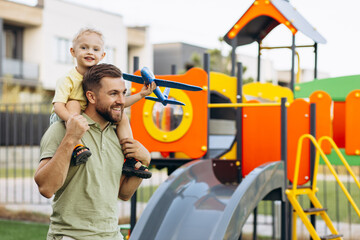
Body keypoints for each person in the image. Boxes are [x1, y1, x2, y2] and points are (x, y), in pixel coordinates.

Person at [35, 63, 150, 240]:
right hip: (71, 236)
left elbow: (123, 193)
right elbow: (46, 188)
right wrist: (70, 139)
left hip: (112, 236)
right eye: (113, 94)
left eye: (123, 93)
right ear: (91, 96)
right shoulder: (60, 130)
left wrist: (144, 160)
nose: (121, 100)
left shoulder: (118, 136)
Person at [51, 28, 155, 178]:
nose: (90, 52)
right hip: (66, 116)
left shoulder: (100, 79)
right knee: (73, 102)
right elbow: (58, 105)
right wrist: (72, 120)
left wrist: (141, 94)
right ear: (73, 52)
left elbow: (118, 103)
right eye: (84, 47)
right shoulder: (67, 79)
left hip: (86, 115)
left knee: (121, 115)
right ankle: (78, 146)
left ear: (102, 55)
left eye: (95, 49)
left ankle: (130, 157)